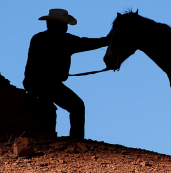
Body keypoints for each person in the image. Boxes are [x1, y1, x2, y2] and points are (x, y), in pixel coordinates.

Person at [23, 8, 110, 139]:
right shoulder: (66, 40)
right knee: (77, 107)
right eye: (65, 25)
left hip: (33, 83)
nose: (66, 28)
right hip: (49, 85)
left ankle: (49, 135)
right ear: (60, 25)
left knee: (54, 106)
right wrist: (110, 38)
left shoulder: (38, 38)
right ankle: (76, 140)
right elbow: (90, 43)